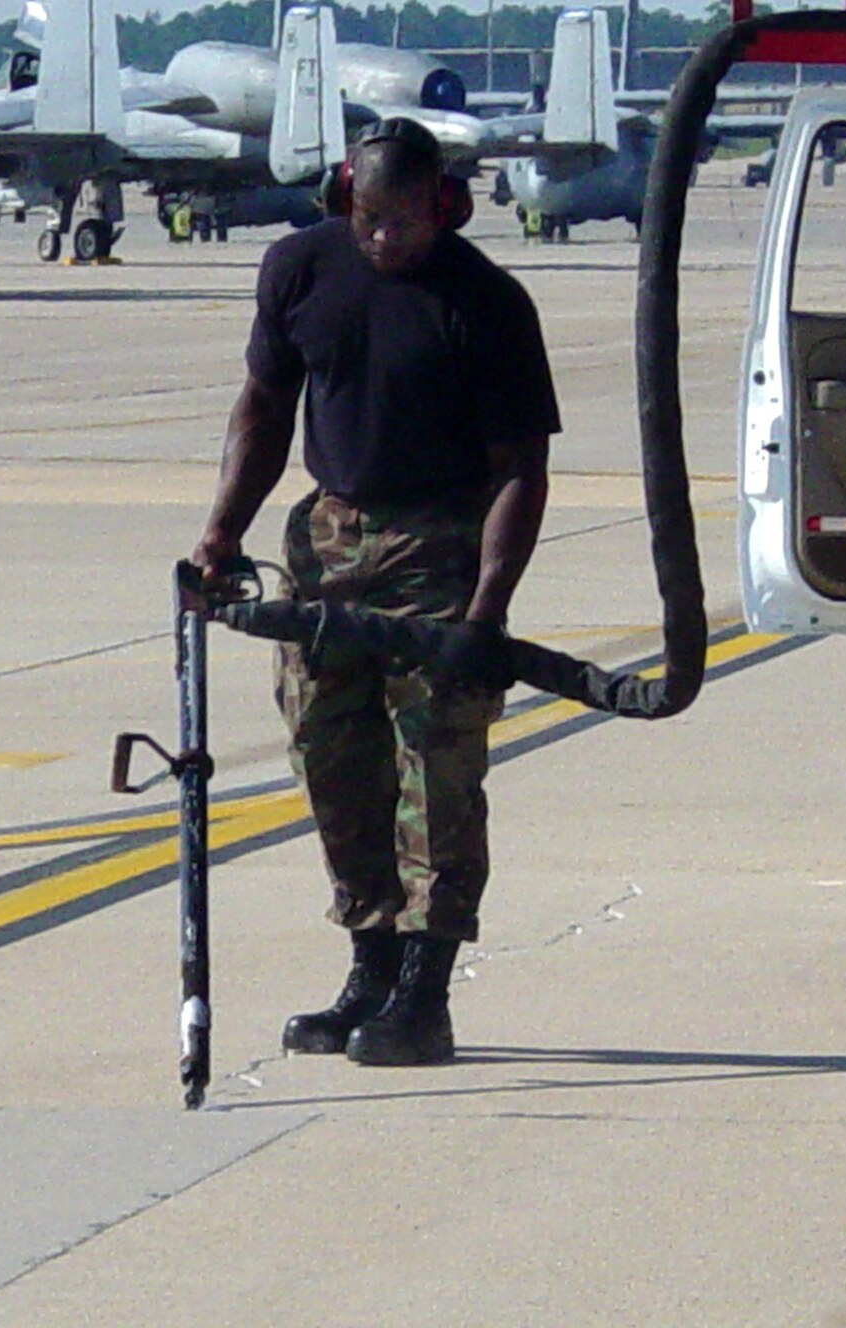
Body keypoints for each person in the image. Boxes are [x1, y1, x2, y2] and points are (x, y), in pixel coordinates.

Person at [189, 117, 560, 1067]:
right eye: (368, 219)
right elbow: (264, 407)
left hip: (441, 541)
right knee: (330, 753)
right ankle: (369, 965)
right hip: (327, 535)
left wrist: (487, 611)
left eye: (404, 221)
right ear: (345, 197)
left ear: (442, 203)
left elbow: (520, 470)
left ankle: (424, 996)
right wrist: (222, 530)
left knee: (434, 773)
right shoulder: (300, 269)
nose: (386, 239)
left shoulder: (487, 302)